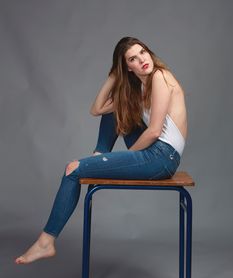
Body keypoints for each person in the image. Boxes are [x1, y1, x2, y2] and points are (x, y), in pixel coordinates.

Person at [15, 37, 187, 264]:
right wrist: (114, 76)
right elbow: (96, 109)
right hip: (156, 154)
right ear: (128, 67)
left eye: (143, 52)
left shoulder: (160, 77)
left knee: (73, 170)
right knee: (117, 107)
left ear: (149, 52)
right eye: (133, 59)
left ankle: (45, 242)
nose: (142, 60)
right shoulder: (140, 87)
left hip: (162, 157)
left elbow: (154, 131)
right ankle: (99, 153)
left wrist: (126, 157)